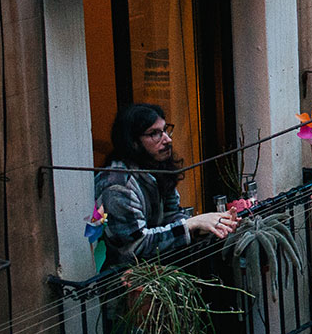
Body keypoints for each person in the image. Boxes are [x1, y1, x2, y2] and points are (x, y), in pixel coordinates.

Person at [94, 103, 236, 269]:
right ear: (133, 142)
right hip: (124, 283)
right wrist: (190, 225)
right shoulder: (117, 185)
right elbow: (135, 247)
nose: (167, 139)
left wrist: (208, 226)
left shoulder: (156, 167)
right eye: (154, 134)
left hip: (158, 270)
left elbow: (171, 214)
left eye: (165, 130)